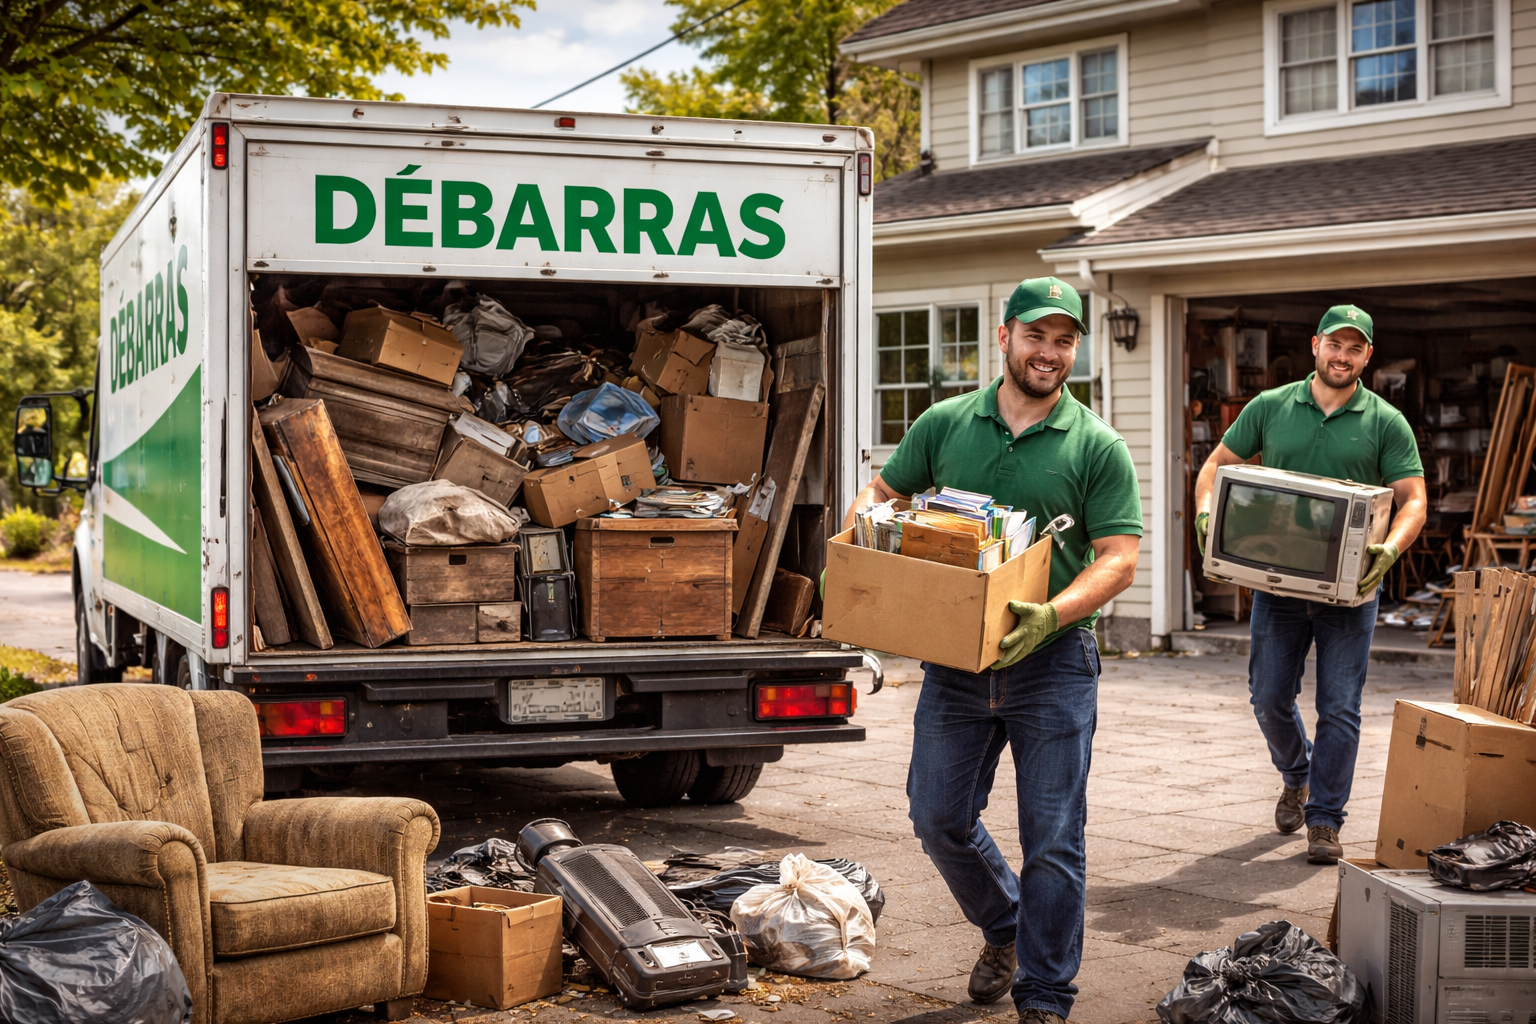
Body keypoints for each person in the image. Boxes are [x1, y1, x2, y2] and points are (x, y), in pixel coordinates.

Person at [842, 278, 1141, 1023]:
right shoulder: (946, 424)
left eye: (1064, 340)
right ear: (1003, 337)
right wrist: (857, 548)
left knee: (1053, 842)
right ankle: (1005, 924)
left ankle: (1044, 993)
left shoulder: (1096, 444)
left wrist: (1052, 614)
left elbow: (1119, 557)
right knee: (936, 816)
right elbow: (881, 493)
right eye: (1036, 336)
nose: (1050, 352)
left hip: (1054, 664)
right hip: (956, 663)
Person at [1193, 304, 1426, 865]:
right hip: (1276, 584)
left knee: (1340, 708)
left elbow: (1414, 499)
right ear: (1316, 346)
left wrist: (1389, 549)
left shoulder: (1385, 421)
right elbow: (1214, 468)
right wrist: (1207, 518)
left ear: (1367, 356)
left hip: (1351, 594)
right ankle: (1296, 774)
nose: (1342, 356)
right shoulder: (1270, 408)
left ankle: (1324, 819)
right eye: (1334, 345)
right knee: (1268, 697)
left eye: (1355, 348)